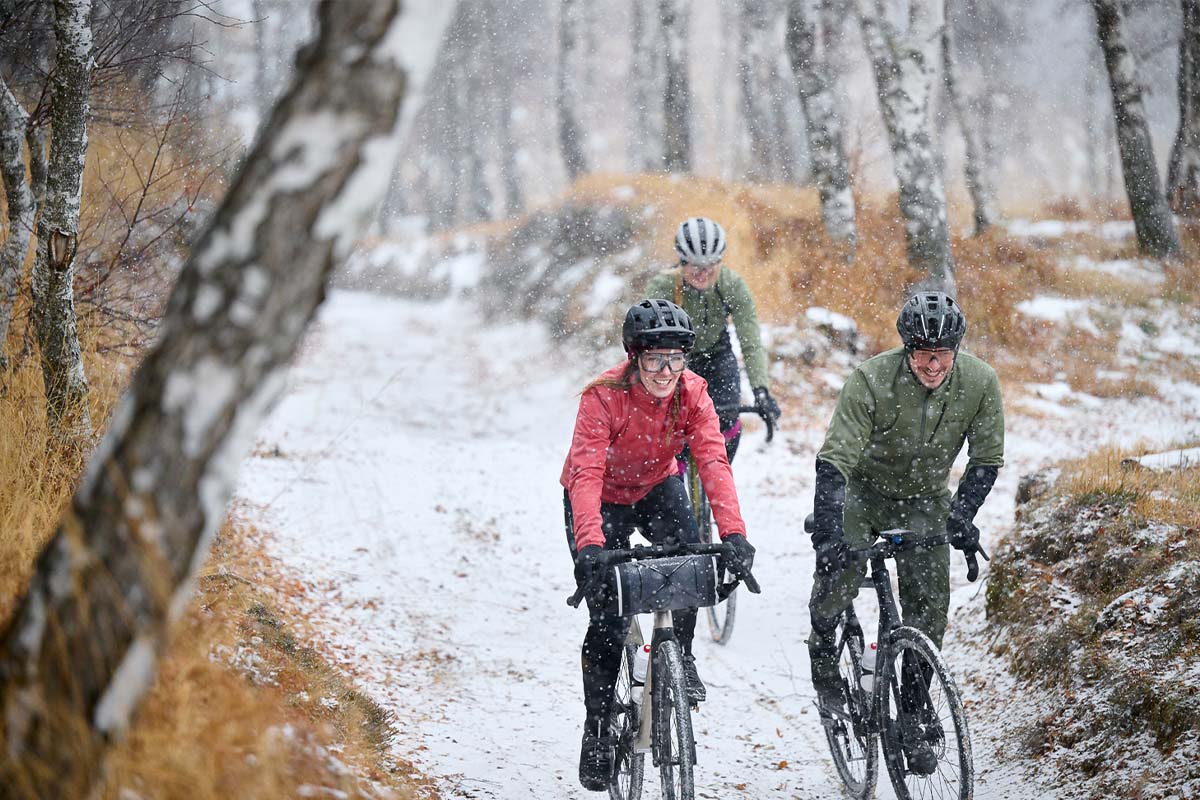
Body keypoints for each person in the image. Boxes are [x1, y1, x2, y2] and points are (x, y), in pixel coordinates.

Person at [561, 298, 757, 792]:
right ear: (634, 358)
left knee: (691, 562)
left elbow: (713, 461)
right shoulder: (602, 396)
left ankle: (681, 656)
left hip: (654, 487)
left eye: (676, 358)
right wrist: (590, 545)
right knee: (606, 615)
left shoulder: (693, 393)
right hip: (600, 497)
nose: (666, 370)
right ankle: (599, 725)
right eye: (654, 359)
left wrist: (734, 534)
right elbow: (585, 472)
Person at [806, 291, 1003, 775]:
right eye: (921, 353)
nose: (932, 364)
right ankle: (824, 653)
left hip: (925, 499)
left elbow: (986, 458)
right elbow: (835, 460)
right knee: (839, 579)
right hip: (862, 492)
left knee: (931, 607)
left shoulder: (980, 382)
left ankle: (913, 709)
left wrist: (961, 515)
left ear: (956, 350)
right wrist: (830, 534)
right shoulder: (871, 380)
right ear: (906, 349)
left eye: (942, 354)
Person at [643, 216, 781, 464]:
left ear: (720, 261)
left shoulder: (732, 285)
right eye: (695, 266)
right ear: (682, 261)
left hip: (717, 356)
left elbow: (750, 341)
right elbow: (644, 345)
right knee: (673, 423)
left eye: (710, 265)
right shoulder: (663, 287)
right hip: (676, 360)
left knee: (727, 420)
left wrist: (761, 390)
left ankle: (717, 475)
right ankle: (677, 473)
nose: (703, 273)